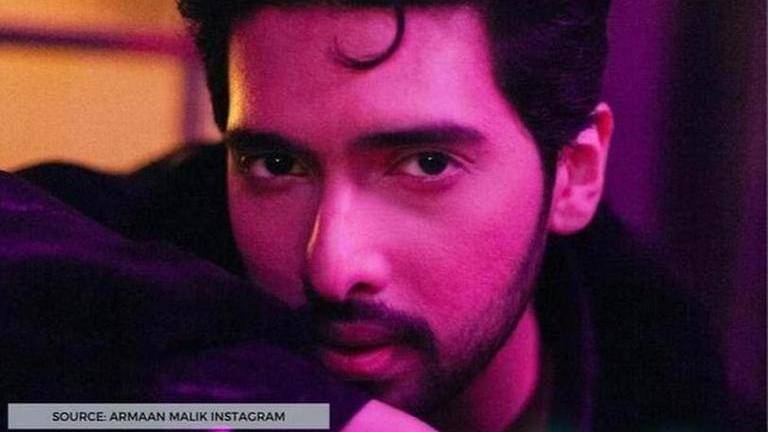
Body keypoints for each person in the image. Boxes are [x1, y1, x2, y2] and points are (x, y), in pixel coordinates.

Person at [4, 0, 728, 430]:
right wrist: (263, 406)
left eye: (427, 164)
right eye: (276, 164)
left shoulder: (674, 392)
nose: (332, 265)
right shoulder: (157, 238)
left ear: (574, 176)